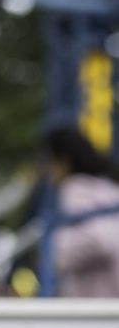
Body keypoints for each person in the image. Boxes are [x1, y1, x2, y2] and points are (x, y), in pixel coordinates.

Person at [44, 126, 119, 298]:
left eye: (49, 161)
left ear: (63, 161)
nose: (47, 170)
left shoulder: (75, 189)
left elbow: (98, 241)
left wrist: (56, 253)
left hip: (95, 306)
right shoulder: (109, 188)